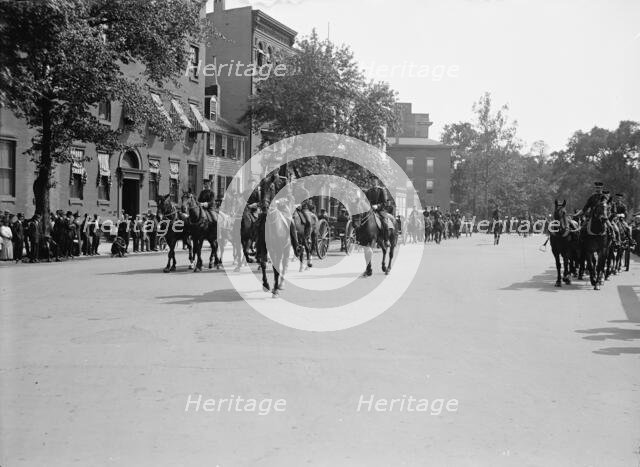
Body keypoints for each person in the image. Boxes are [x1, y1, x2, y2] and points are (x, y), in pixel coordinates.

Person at [365, 176, 394, 248]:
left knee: (384, 222)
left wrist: (377, 206)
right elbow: (365, 201)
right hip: (370, 210)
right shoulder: (368, 191)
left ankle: (386, 240)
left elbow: (384, 203)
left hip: (380, 210)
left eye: (374, 181)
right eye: (372, 181)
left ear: (377, 181)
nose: (373, 182)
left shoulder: (382, 190)